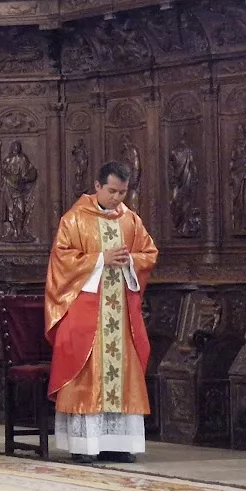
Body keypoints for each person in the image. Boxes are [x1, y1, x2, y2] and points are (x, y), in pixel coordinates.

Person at [45, 161, 158, 464]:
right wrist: (100, 259)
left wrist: (130, 260)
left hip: (120, 316)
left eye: (123, 193)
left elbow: (149, 253)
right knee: (87, 374)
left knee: (122, 373)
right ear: (97, 186)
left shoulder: (130, 221)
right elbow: (61, 260)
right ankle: (85, 445)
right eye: (112, 191)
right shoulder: (74, 219)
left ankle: (119, 443)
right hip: (84, 314)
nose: (118, 199)